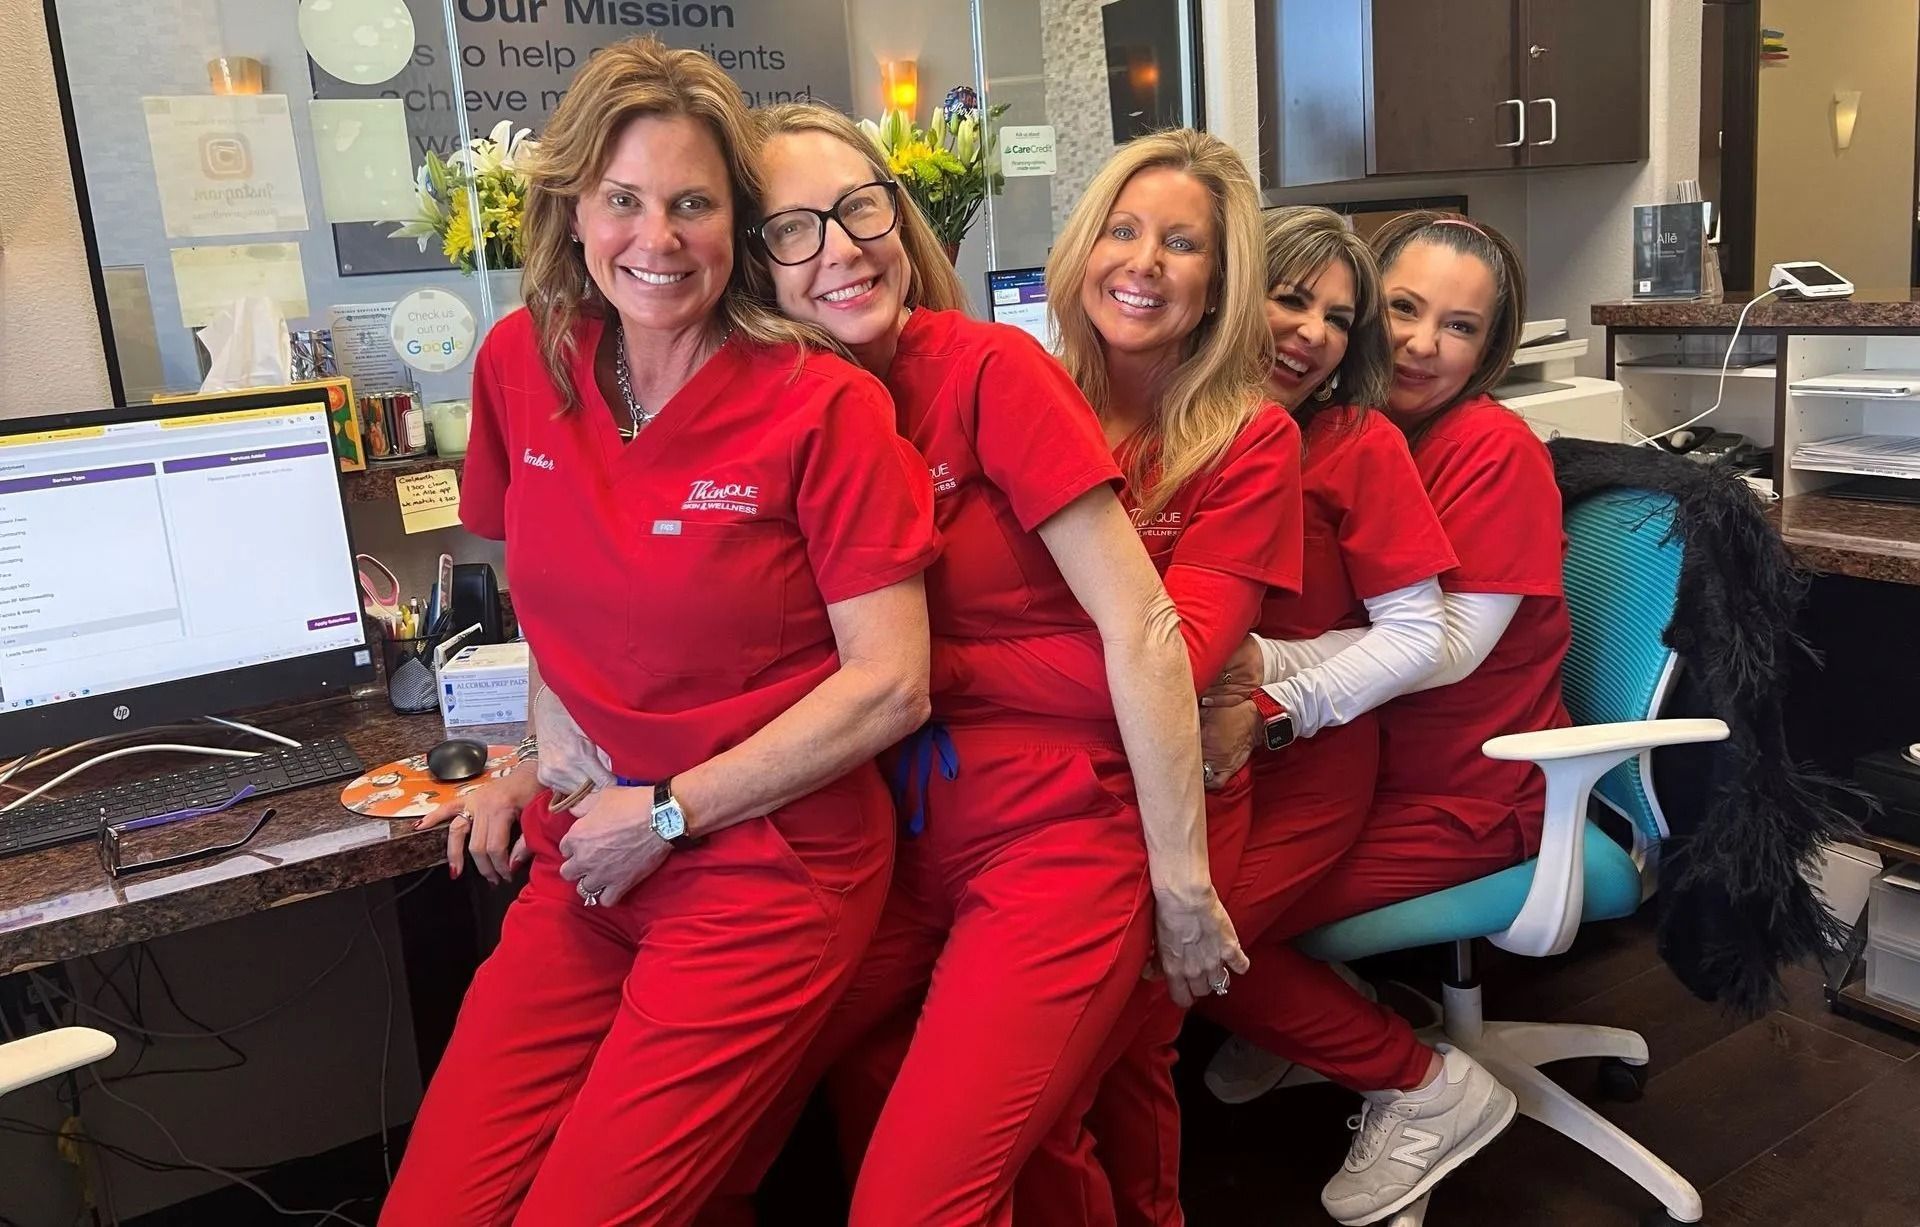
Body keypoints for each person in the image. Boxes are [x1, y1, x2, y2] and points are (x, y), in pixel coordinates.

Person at [380, 39, 940, 1226]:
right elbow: (543, 597)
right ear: (573, 209)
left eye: (692, 204)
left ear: (734, 222)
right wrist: (539, 755)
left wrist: (672, 810)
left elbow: (892, 687)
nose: (658, 238)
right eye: (624, 201)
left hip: (762, 870)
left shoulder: (821, 404)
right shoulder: (519, 365)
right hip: (590, 853)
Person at [697, 103, 1246, 1227]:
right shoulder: (775, 414)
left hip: (1052, 834)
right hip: (889, 847)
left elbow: (1144, 629)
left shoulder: (989, 369)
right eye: (793, 229)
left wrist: (1181, 890)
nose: (843, 248)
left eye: (861, 208)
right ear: (750, 263)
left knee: (914, 1198)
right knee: (742, 1120)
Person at [1197, 211, 1567, 1226]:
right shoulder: (1347, 428)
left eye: (1456, 327)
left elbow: (1441, 646)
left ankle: (1417, 1084)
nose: (1416, 342)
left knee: (1210, 937)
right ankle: (1317, 1023)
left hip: (1467, 791)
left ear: (1490, 350)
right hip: (1357, 757)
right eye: (1400, 310)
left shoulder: (1489, 451)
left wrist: (1255, 675)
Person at [978, 134, 1304, 1227]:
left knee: (1108, 1065)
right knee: (1048, 1092)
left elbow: (1181, 655)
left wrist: (938, 670)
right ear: (1082, 249)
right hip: (1018, 793)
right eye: (1123, 230)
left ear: (1219, 284)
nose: (1144, 262)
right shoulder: (1017, 391)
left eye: (1182, 244)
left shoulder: (1250, 440)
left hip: (1170, 798)